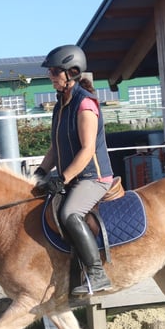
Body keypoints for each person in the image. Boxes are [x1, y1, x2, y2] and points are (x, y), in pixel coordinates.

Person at [33, 44, 114, 296]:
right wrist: (40, 172)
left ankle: (97, 275)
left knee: (69, 213)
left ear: (72, 72)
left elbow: (87, 149)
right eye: (51, 72)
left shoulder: (85, 105)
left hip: (94, 178)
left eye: (55, 71)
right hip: (73, 179)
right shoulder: (60, 105)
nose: (50, 76)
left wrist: (63, 177)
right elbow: (56, 148)